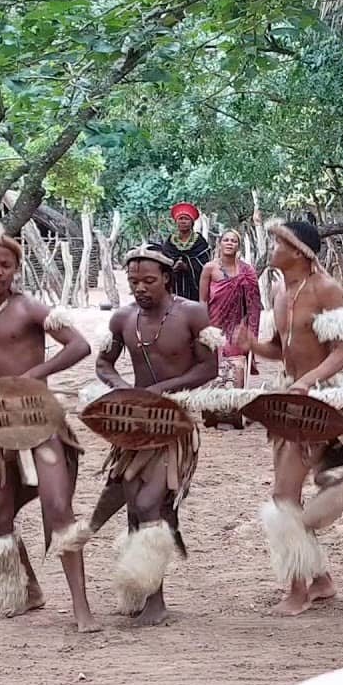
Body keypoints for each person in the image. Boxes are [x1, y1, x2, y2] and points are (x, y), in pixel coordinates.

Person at [0, 227, 99, 631]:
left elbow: (79, 345)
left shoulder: (30, 308)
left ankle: (81, 608)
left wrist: (35, 373)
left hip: (38, 419)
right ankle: (27, 590)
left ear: (15, 269)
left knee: (58, 508)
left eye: (5, 265)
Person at [235, 219, 343, 617]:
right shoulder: (279, 291)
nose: (271, 248)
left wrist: (309, 381)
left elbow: (341, 352)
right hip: (288, 403)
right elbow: (280, 348)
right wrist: (253, 345)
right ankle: (321, 580)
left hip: (320, 403)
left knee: (283, 497)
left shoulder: (326, 289)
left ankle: (298, 591)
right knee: (287, 494)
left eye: (277, 242)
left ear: (298, 251)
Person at [93, 244, 222, 626]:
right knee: (137, 506)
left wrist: (162, 390)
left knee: (150, 503)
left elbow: (209, 368)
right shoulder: (123, 318)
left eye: (148, 280)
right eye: (133, 281)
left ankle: (156, 602)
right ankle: (136, 591)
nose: (140, 288)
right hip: (135, 424)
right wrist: (123, 389)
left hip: (174, 424)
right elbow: (103, 363)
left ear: (166, 277)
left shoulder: (193, 313)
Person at [199, 227, 262, 428]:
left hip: (237, 325)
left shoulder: (247, 271)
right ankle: (211, 409)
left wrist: (251, 329)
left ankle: (235, 409)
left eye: (233, 241)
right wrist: (203, 326)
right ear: (220, 244)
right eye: (226, 240)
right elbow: (203, 300)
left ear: (238, 246)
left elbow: (254, 302)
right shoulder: (209, 268)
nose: (229, 243)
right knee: (214, 365)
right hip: (214, 323)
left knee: (235, 364)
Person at [157, 202, 210, 301]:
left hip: (195, 289)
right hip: (174, 287)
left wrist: (188, 267)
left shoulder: (199, 241)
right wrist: (173, 268)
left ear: (192, 222)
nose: (183, 222)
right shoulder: (170, 242)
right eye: (180, 219)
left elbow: (205, 264)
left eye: (186, 219)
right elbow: (163, 262)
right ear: (176, 222)